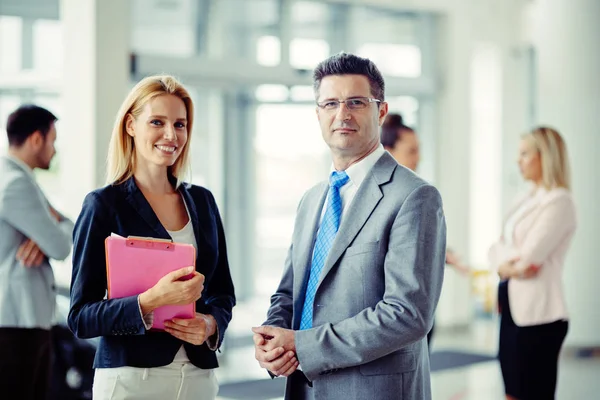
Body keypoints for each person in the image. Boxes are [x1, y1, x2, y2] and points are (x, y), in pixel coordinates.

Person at [252, 53, 447, 400]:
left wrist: (305, 345)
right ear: (318, 114)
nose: (342, 114)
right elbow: (288, 292)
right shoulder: (312, 199)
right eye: (330, 103)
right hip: (304, 388)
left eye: (356, 102)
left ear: (381, 111)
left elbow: (408, 314)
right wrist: (274, 341)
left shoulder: (414, 197)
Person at [68, 75, 235, 400]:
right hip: (131, 378)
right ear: (131, 125)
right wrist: (150, 300)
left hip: (198, 377)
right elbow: (80, 318)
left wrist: (212, 325)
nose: (171, 135)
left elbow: (223, 292)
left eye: (180, 124)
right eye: (157, 122)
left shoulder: (202, 201)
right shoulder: (104, 205)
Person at [488, 127, 575, 400]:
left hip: (540, 318)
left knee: (532, 393)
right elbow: (495, 247)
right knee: (512, 392)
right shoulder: (526, 198)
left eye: (525, 154)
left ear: (545, 157)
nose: (518, 161)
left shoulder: (559, 202)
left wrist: (510, 260)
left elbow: (528, 260)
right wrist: (507, 263)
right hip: (512, 310)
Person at [0, 105, 74, 399]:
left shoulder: (18, 178)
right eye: (52, 141)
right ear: (35, 139)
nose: (54, 151)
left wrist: (53, 227)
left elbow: (61, 228)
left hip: (21, 320)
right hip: (18, 321)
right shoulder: (16, 184)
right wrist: (53, 228)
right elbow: (61, 245)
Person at [381, 113, 470, 348]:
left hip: (418, 310)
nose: (418, 158)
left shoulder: (419, 193)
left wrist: (448, 256)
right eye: (411, 151)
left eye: (419, 150)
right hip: (388, 313)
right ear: (388, 150)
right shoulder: (379, 197)